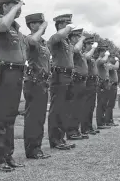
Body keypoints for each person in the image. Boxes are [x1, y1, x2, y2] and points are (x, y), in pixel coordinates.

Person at [0, 0, 26, 171]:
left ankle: (7, 155)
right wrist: (17, 7)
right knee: (0, 117)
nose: (19, 9)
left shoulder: (15, 28)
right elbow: (3, 25)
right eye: (14, 5)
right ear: (4, 6)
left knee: (10, 117)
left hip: (16, 73)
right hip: (4, 73)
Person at [23, 13, 51, 159]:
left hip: (42, 82)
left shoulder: (43, 43)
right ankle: (32, 149)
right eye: (39, 23)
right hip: (34, 82)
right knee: (33, 117)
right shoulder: (29, 38)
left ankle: (37, 147)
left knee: (39, 117)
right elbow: (33, 40)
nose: (43, 26)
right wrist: (42, 28)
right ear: (32, 25)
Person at [48, 14, 76, 150]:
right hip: (59, 75)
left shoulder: (67, 42)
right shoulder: (56, 38)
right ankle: (55, 139)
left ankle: (61, 138)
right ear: (60, 26)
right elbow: (58, 36)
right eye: (67, 24)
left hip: (68, 76)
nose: (69, 27)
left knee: (65, 109)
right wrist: (65, 30)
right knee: (57, 108)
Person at [81, 35, 98, 135]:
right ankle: (85, 127)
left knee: (91, 106)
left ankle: (89, 126)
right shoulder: (84, 54)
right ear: (84, 45)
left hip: (93, 82)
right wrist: (94, 48)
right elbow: (87, 57)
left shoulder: (91, 56)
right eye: (89, 44)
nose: (91, 45)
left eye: (92, 44)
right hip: (87, 82)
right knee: (86, 106)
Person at [96, 45, 112, 129]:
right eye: (104, 51)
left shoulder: (104, 61)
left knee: (104, 104)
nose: (105, 53)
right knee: (101, 104)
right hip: (101, 84)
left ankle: (103, 122)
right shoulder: (99, 60)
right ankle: (100, 123)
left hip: (106, 83)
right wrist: (107, 55)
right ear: (100, 52)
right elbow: (104, 60)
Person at [105, 55, 120, 126]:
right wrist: (117, 60)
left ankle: (110, 120)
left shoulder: (111, 65)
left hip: (114, 85)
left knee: (111, 104)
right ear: (109, 58)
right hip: (111, 85)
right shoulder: (109, 65)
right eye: (112, 57)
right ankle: (108, 121)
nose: (114, 58)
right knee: (110, 104)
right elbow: (117, 67)